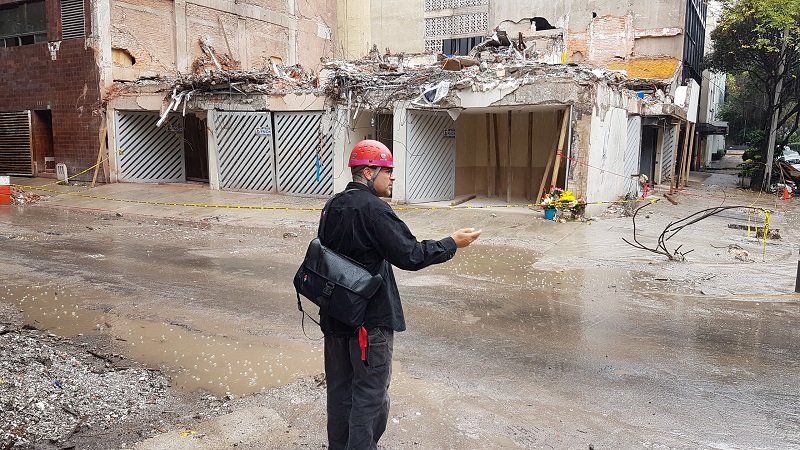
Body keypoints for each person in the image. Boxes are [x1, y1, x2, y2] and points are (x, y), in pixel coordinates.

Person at [318, 139, 481, 450]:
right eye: (388, 171)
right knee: (370, 397)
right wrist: (452, 243)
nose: (392, 177)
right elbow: (410, 255)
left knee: (340, 393)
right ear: (368, 172)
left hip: (336, 317)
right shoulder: (374, 209)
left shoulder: (333, 205)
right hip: (369, 322)